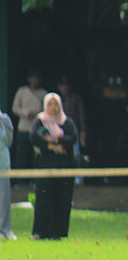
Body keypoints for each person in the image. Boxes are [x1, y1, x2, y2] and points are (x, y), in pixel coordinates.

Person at [29, 93, 78, 240]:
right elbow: (33, 137)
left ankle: (58, 232)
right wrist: (50, 146)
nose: (53, 107)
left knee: (62, 198)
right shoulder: (40, 121)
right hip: (46, 165)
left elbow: (72, 137)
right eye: (50, 104)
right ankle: (41, 231)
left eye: (56, 104)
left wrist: (57, 139)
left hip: (64, 165)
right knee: (44, 197)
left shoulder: (66, 121)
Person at [11, 69, 47, 181]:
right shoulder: (22, 91)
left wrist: (38, 113)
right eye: (33, 78)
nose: (35, 80)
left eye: (37, 78)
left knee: (37, 155)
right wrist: (26, 113)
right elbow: (15, 108)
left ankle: (35, 181)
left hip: (37, 129)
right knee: (22, 155)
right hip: (23, 128)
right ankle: (19, 182)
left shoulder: (43, 93)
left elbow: (47, 110)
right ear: (28, 79)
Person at [0, 105, 14, 240]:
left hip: (2, 164)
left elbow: (9, 141)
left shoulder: (5, 120)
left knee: (3, 198)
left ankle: (4, 230)